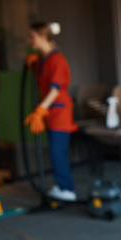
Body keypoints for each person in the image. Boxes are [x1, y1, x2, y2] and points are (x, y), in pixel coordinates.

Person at [24, 21, 79, 201]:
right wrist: (33, 66)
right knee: (55, 151)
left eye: (32, 36)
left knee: (57, 151)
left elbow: (55, 89)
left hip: (59, 111)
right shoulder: (43, 59)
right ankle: (62, 184)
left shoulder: (57, 60)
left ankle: (67, 189)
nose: (29, 40)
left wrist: (41, 109)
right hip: (51, 112)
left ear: (41, 37)